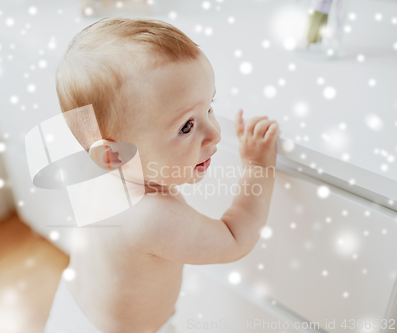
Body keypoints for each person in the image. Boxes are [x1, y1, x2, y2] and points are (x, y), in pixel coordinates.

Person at [45, 17, 279, 333]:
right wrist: (257, 168)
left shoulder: (97, 173)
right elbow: (235, 239)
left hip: (71, 312)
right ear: (112, 155)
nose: (215, 134)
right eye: (186, 126)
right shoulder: (153, 216)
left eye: (209, 106)